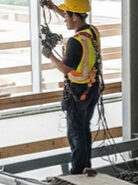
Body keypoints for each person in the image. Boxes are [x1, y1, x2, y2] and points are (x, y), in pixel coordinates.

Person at [41, 0, 102, 175]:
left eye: (67, 15)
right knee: (84, 128)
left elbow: (65, 68)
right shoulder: (92, 32)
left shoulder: (76, 42)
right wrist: (53, 7)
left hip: (78, 93)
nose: (64, 18)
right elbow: (72, 16)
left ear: (75, 17)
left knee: (76, 132)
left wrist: (49, 54)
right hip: (92, 88)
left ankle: (78, 171)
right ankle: (86, 167)